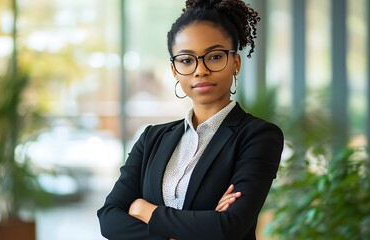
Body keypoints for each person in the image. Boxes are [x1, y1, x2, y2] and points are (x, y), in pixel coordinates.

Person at [97, 0, 284, 239]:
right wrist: (194, 227)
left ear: (235, 63)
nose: (200, 70)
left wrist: (145, 210)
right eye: (186, 60)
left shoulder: (258, 136)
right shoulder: (152, 138)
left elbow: (229, 226)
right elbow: (109, 218)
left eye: (215, 57)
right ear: (174, 70)